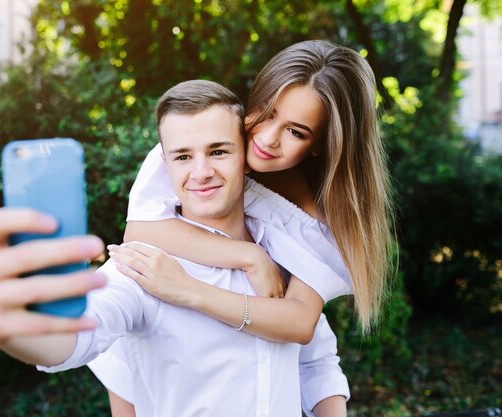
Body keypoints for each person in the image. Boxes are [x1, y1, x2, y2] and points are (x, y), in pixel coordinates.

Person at [0, 79, 348, 417]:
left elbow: (315, 360)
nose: (200, 172)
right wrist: (15, 327)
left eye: (218, 151)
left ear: (245, 157)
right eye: (183, 156)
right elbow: (76, 338)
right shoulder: (142, 267)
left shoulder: (283, 254)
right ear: (165, 164)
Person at [112, 40, 395, 342]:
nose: (269, 138)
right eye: (267, 111)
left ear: (321, 145)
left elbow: (299, 323)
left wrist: (189, 291)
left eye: (296, 132)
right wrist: (248, 255)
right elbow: (140, 230)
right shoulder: (200, 141)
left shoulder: (311, 221)